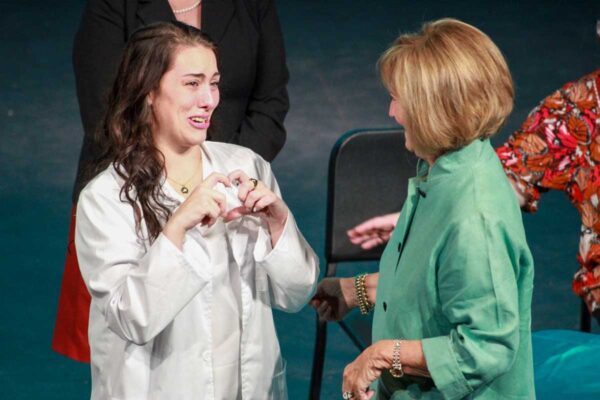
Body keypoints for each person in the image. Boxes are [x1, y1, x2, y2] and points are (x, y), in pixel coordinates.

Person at [74, 22, 317, 399]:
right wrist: (176, 229)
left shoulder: (248, 168)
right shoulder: (106, 198)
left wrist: (279, 224)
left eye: (214, 83)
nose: (209, 99)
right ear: (149, 91)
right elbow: (132, 319)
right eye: (192, 83)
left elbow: (296, 293)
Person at [311, 19, 535, 399]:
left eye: (401, 99)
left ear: (439, 109)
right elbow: (436, 290)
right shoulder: (448, 168)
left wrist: (384, 355)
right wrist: (356, 291)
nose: (392, 112)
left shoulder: (473, 217)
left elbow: (486, 348)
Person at [349, 70, 600, 324]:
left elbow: (489, 347)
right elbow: (509, 177)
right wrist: (433, 217)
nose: (393, 113)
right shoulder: (584, 102)